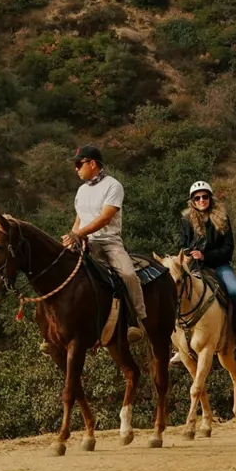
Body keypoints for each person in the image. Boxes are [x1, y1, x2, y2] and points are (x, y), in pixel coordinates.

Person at [62, 145, 147, 345]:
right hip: (83, 241)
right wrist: (72, 236)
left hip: (108, 242)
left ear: (92, 163)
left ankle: (137, 319)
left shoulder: (113, 186)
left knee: (127, 274)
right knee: (58, 269)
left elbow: (105, 218)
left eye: (78, 164)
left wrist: (78, 233)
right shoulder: (81, 190)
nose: (76, 169)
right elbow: (79, 218)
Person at [177, 181, 236, 359]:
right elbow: (182, 244)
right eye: (197, 198)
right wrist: (187, 253)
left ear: (210, 199)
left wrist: (205, 256)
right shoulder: (186, 220)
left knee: (235, 291)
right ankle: (178, 344)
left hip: (219, 265)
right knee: (176, 289)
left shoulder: (222, 218)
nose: (201, 200)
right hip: (193, 267)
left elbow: (228, 247)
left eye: (205, 196)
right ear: (192, 201)